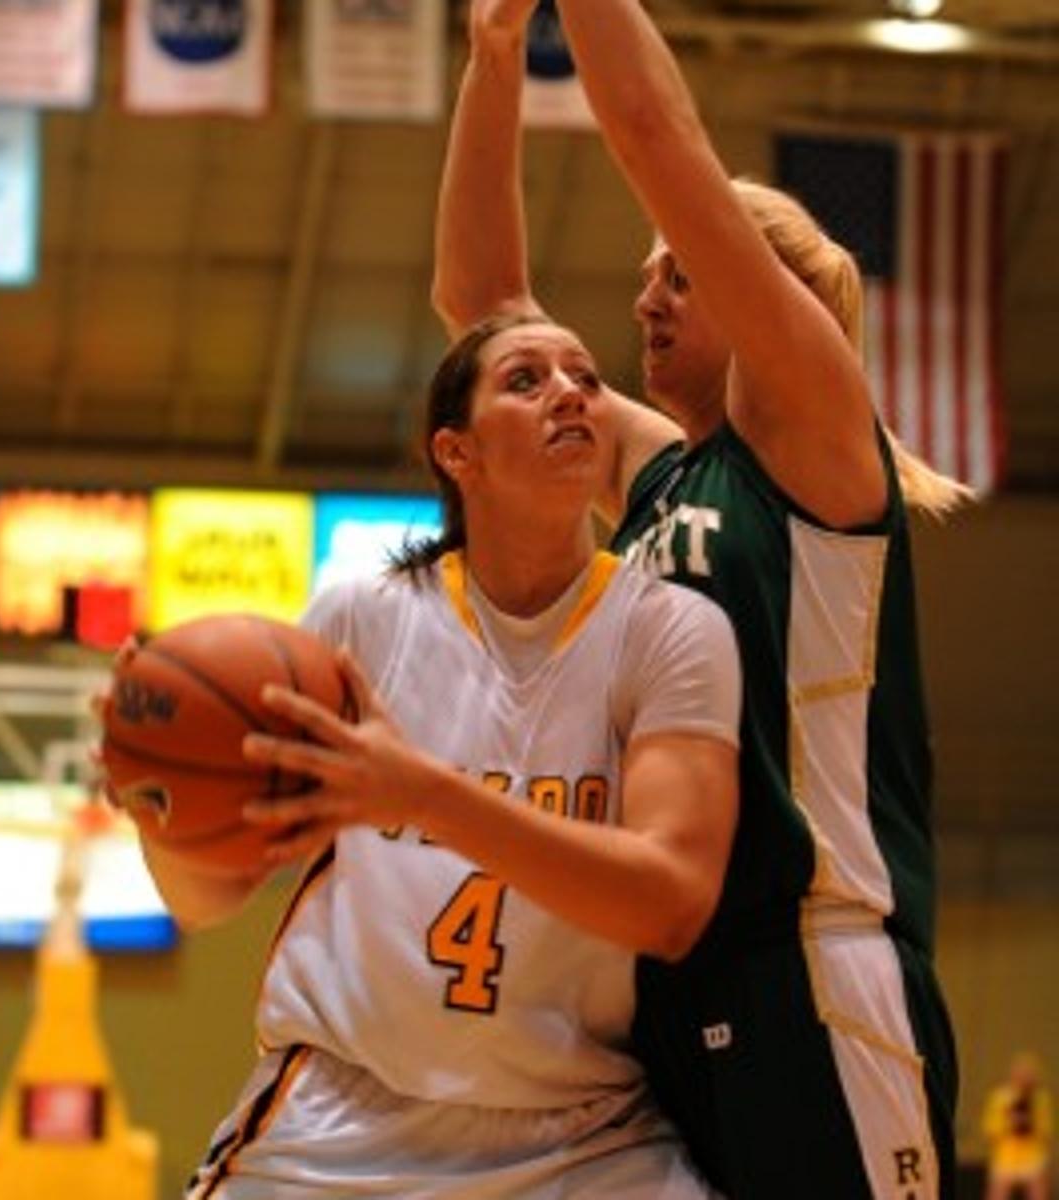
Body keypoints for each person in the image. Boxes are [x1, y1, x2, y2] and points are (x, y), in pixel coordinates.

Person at [431, 2, 966, 1197]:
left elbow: (652, 130)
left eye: (678, 271)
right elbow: (481, 313)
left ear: (761, 288)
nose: (645, 303)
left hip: (816, 968)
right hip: (670, 987)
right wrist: (496, 54)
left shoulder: (817, 450)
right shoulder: (665, 473)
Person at [115, 313, 742, 1198]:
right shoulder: (357, 622)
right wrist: (158, 797)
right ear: (455, 452)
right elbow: (206, 898)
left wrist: (425, 796)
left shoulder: (672, 630)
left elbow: (671, 902)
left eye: (586, 379)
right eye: (526, 380)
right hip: (340, 1121)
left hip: (583, 1137)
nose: (570, 391)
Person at [983, 1053, 1054, 1200]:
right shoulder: (1000, 1099)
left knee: (1039, 1189)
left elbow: (1047, 1131)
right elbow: (990, 1130)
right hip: (1006, 1157)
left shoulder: (1040, 1100)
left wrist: (1031, 1122)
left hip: (1032, 1156)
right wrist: (1010, 1122)